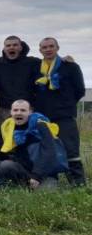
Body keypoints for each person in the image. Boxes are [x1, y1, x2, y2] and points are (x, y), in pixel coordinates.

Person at [33, 37, 86, 186]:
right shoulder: (36, 68)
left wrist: (66, 104)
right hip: (43, 117)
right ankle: (50, 182)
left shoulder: (70, 66)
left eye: (51, 46)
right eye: (44, 47)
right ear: (40, 50)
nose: (48, 49)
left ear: (57, 48)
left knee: (70, 150)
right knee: (46, 149)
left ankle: (78, 184)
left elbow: (80, 90)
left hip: (64, 116)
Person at [0, 100, 67, 189]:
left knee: (45, 196)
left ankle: (34, 185)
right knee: (5, 165)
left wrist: (36, 176)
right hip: (25, 172)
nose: (19, 113)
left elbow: (49, 153)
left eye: (23, 110)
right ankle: (22, 186)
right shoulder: (7, 128)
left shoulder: (41, 125)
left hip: (44, 173)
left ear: (30, 112)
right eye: (15, 110)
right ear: (11, 112)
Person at [0, 35, 40, 122]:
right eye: (8, 45)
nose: (11, 47)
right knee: (6, 135)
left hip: (28, 108)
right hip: (5, 109)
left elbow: (50, 63)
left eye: (15, 45)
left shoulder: (33, 62)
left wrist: (64, 60)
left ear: (20, 47)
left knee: (29, 134)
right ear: (4, 49)